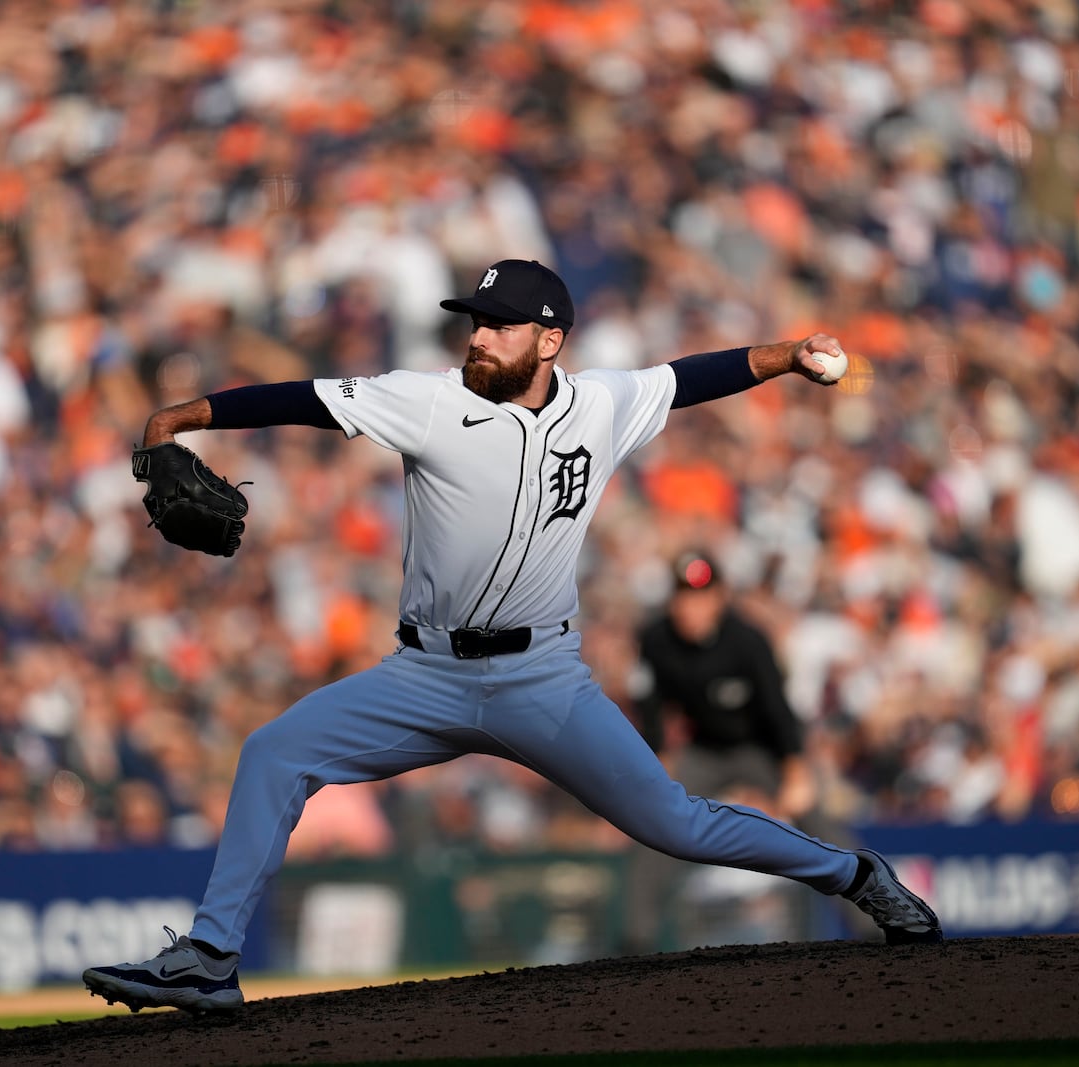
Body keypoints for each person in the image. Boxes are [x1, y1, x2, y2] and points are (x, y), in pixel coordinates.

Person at [82, 259, 941, 1014]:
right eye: (474, 322)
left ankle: (854, 875)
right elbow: (298, 401)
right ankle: (211, 957)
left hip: (544, 678)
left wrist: (789, 355)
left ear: (550, 339)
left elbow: (692, 376)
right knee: (275, 752)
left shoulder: (604, 403)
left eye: (497, 324)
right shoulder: (426, 401)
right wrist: (180, 417)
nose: (478, 337)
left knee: (674, 822)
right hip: (423, 675)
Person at [623, 550, 845, 952]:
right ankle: (637, 941)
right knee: (653, 820)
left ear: (720, 597)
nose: (691, 607)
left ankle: (874, 920)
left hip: (761, 748)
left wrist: (795, 769)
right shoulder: (656, 640)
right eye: (683, 596)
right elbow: (651, 706)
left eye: (701, 596)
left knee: (817, 819)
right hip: (704, 749)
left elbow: (778, 709)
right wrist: (659, 760)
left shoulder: (747, 640)